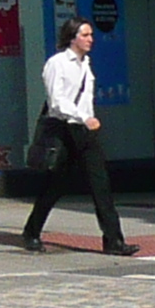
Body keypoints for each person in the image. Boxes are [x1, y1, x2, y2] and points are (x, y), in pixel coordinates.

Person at [21, 20, 138, 256]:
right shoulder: (57, 64)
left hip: (84, 132)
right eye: (85, 34)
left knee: (101, 185)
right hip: (64, 128)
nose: (90, 39)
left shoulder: (86, 64)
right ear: (72, 37)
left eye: (91, 34)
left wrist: (88, 121)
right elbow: (57, 101)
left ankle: (113, 240)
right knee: (55, 186)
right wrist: (84, 117)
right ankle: (31, 232)